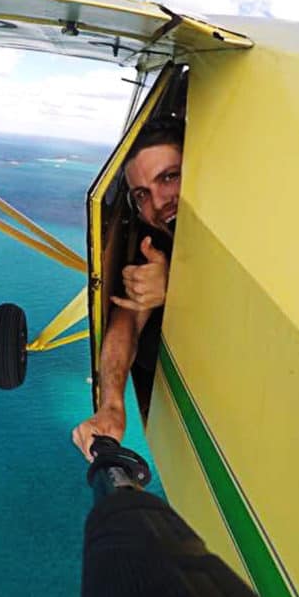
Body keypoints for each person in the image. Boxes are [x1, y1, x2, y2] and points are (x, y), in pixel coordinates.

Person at [72, 118, 183, 461]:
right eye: (142, 194)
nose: (160, 201)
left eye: (169, 176)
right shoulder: (153, 244)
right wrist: (112, 405)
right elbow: (128, 320)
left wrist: (179, 286)